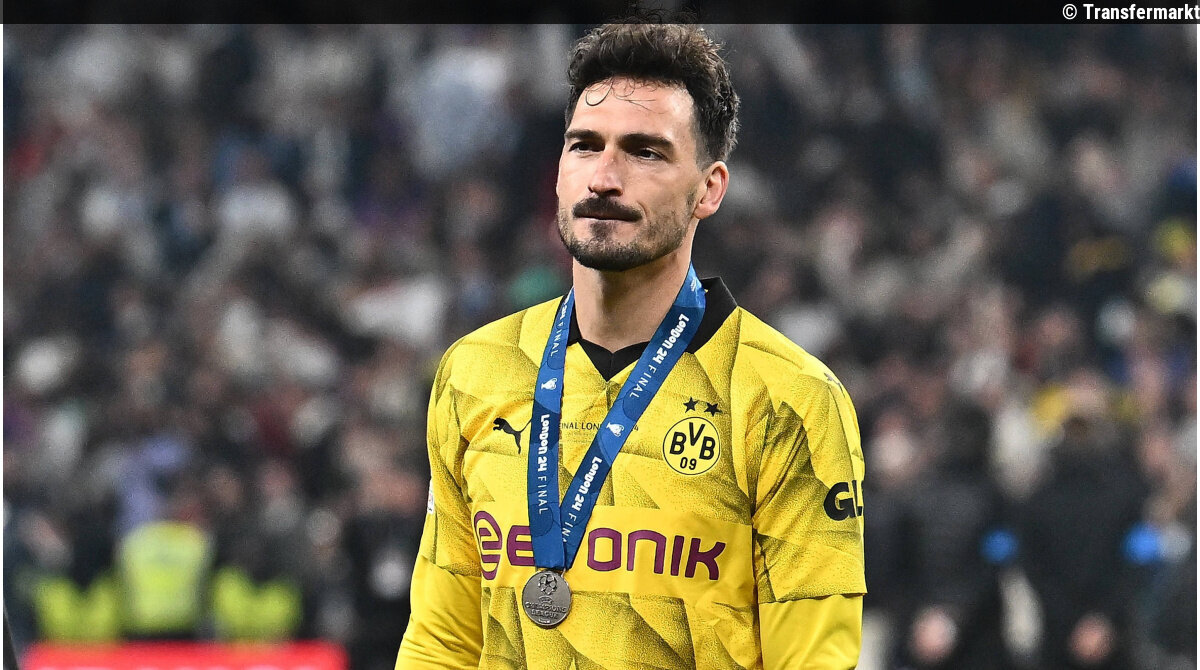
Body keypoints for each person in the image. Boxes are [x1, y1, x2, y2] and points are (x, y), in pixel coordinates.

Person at [396, 21, 865, 669]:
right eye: (584, 146)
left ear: (709, 189)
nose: (604, 178)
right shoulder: (475, 371)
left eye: (645, 152)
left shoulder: (792, 399)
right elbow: (441, 641)